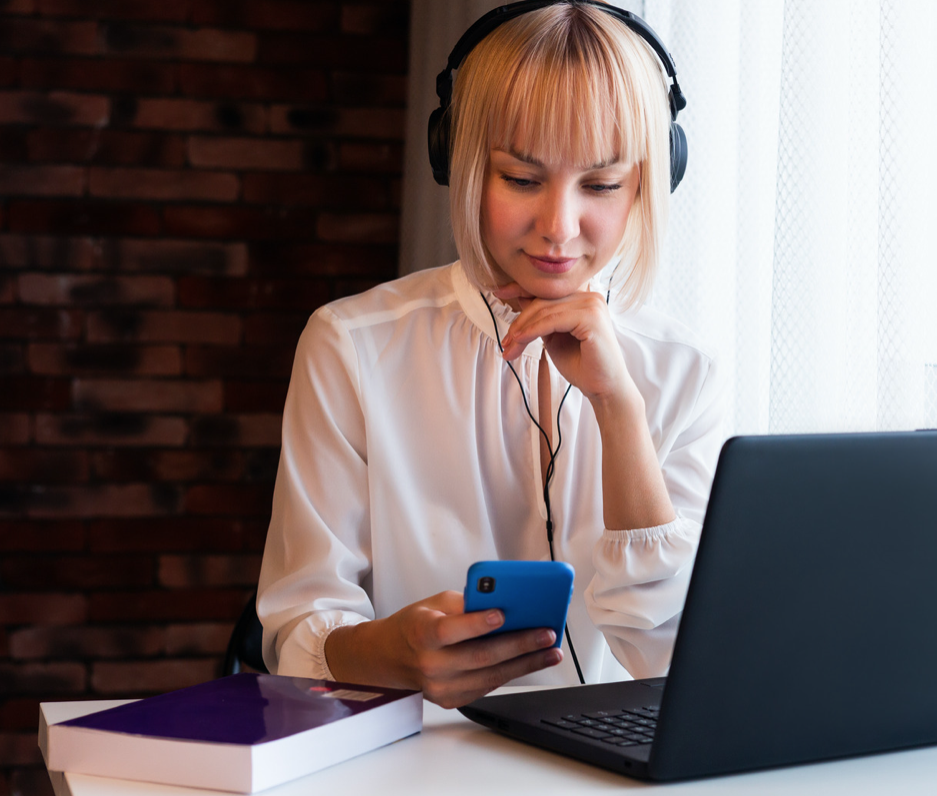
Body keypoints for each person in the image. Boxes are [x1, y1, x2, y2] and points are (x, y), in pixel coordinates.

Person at [257, 1, 725, 709]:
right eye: (522, 178)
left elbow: (670, 655)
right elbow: (296, 632)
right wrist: (394, 656)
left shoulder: (684, 369)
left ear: (649, 182)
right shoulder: (352, 345)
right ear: (461, 160)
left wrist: (618, 406)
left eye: (600, 184)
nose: (559, 228)